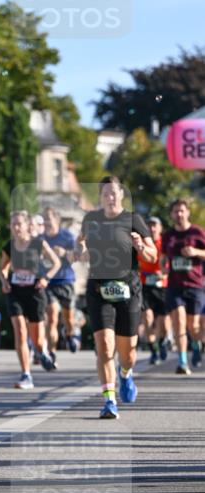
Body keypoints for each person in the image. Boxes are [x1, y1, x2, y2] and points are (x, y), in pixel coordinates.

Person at [75, 175, 156, 418]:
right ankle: (109, 400)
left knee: (128, 352)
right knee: (104, 346)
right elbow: (79, 244)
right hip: (99, 290)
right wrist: (80, 250)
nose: (110, 197)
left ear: (121, 195)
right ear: (100, 197)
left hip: (128, 290)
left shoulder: (133, 220)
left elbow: (154, 256)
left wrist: (141, 246)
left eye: (114, 193)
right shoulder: (92, 219)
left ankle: (126, 374)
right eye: (105, 193)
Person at [0, 211, 61, 389]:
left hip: (35, 291)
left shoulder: (38, 243)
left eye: (19, 224)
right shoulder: (9, 246)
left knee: (37, 340)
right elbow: (2, 269)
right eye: (13, 224)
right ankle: (26, 375)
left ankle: (43, 353)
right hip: (15, 291)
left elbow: (56, 263)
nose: (16, 228)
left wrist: (46, 278)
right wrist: (4, 281)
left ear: (27, 226)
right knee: (20, 332)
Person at [162, 198, 205, 375]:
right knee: (178, 322)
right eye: (175, 211)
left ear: (187, 212)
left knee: (193, 326)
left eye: (182, 211)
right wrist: (162, 268)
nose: (179, 214)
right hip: (174, 284)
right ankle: (182, 362)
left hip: (195, 284)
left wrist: (195, 252)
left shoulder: (197, 232)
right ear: (172, 214)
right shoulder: (168, 235)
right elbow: (163, 258)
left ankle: (196, 343)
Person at [42, 206, 79, 365]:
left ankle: (70, 334)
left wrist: (64, 253)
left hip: (66, 281)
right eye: (44, 220)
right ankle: (51, 353)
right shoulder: (41, 238)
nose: (46, 223)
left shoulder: (67, 237)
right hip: (48, 282)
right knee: (51, 317)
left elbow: (77, 256)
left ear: (56, 220)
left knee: (68, 318)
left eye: (49, 219)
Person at [138, 216, 170, 365]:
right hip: (145, 285)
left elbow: (170, 262)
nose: (152, 228)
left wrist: (163, 273)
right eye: (149, 225)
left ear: (160, 228)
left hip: (162, 285)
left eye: (154, 225)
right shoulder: (141, 242)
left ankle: (163, 340)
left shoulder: (165, 242)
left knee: (163, 324)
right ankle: (153, 351)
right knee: (148, 319)